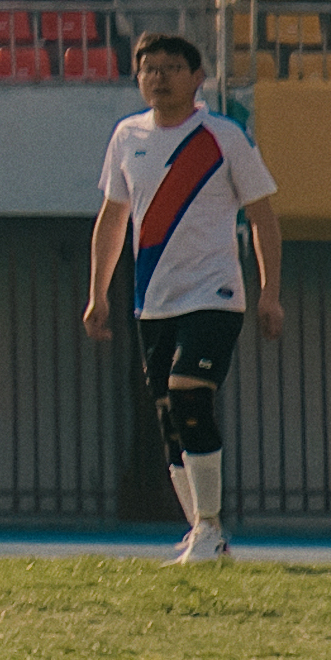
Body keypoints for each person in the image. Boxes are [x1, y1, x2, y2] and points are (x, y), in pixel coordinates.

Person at [82, 30, 283, 567]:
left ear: (197, 78)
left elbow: (262, 215)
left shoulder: (223, 135)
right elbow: (112, 218)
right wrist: (98, 293)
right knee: (169, 414)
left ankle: (211, 528)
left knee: (190, 393)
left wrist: (270, 294)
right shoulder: (126, 136)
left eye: (171, 67)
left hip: (214, 293)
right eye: (149, 68)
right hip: (154, 300)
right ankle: (203, 534)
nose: (158, 76)